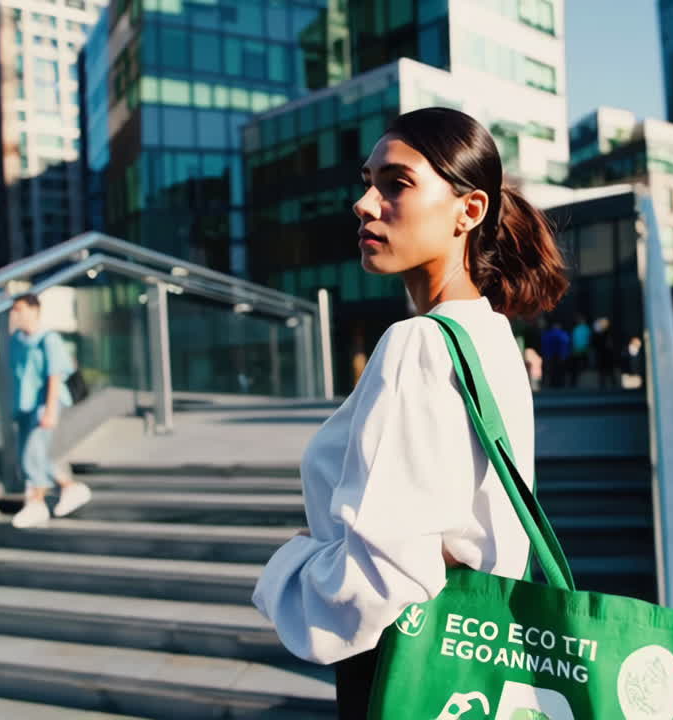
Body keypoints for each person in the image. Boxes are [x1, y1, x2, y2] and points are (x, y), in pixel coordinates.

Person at [250, 107, 570, 719]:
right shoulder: (494, 339)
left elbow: (382, 576)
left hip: (407, 675)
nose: (366, 204)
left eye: (396, 184)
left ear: (469, 210)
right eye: (368, 182)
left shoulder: (417, 343)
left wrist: (291, 568)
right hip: (474, 668)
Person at [8, 293, 92, 528]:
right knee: (36, 453)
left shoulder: (48, 339)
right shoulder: (16, 340)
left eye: (20, 309)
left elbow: (55, 376)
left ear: (35, 311)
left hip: (46, 403)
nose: (16, 314)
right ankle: (68, 489)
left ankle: (37, 503)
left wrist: (51, 411)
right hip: (25, 405)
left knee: (33, 454)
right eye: (14, 310)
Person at [540, 321, 570, 388]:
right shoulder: (563, 334)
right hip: (560, 356)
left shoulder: (548, 334)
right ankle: (560, 383)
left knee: (552, 371)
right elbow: (565, 344)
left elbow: (544, 344)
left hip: (550, 356)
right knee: (560, 371)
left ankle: (552, 383)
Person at [591, 317, 617, 389]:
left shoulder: (609, 333)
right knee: (602, 371)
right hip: (602, 355)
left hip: (607, 355)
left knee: (610, 371)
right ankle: (603, 384)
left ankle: (613, 384)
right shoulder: (599, 334)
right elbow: (595, 344)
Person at [568, 314, 591, 387]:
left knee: (576, 367)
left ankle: (574, 382)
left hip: (577, 350)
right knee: (580, 366)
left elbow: (573, 340)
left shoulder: (577, 329)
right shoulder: (586, 329)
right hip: (582, 350)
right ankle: (576, 382)